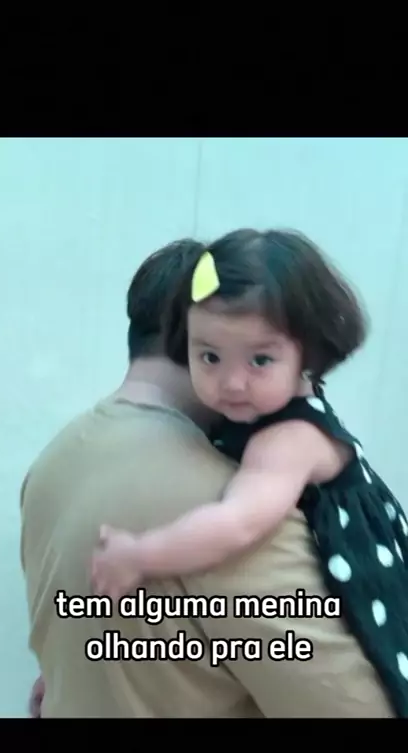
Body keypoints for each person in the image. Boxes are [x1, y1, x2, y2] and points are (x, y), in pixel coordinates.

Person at [21, 235, 393, 718]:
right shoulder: (219, 501)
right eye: (214, 354)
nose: (238, 382)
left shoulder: (54, 463)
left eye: (263, 358)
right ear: (187, 337)